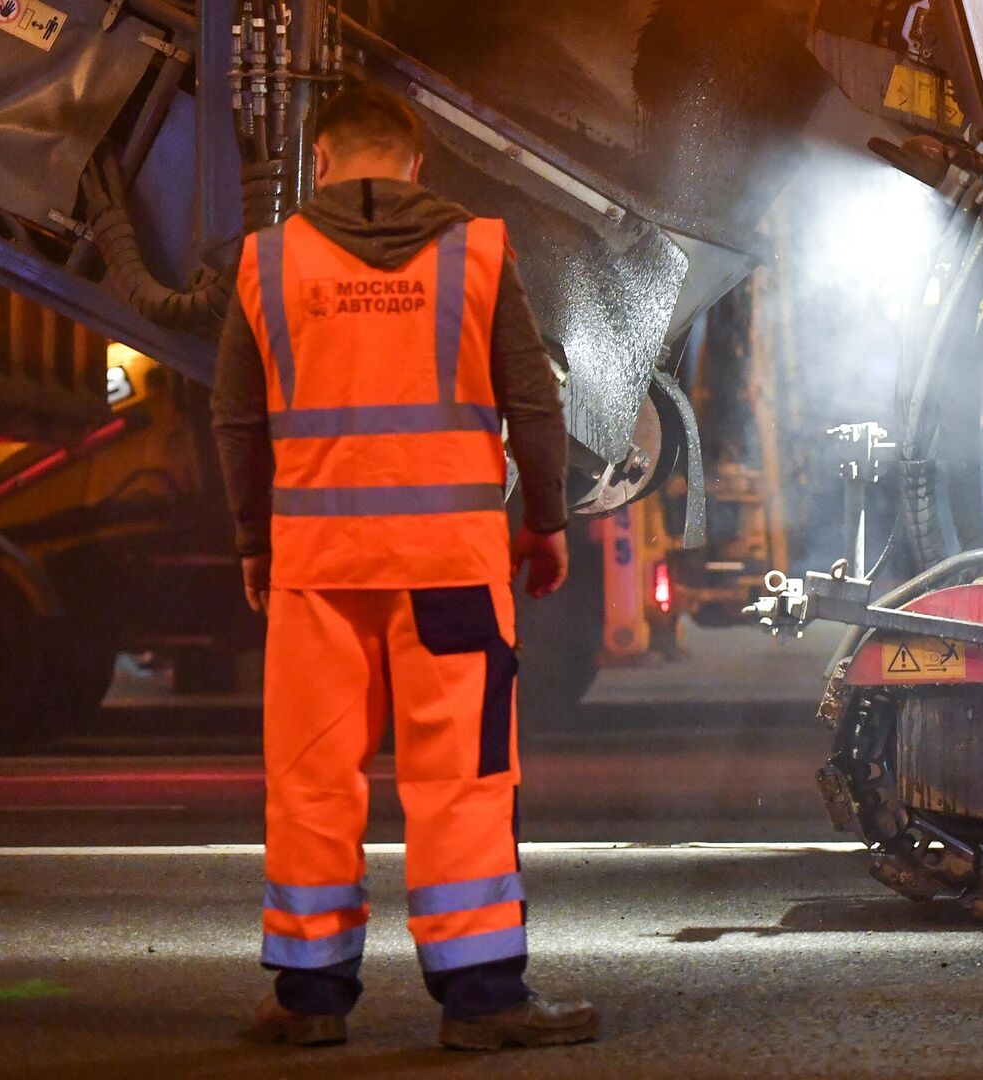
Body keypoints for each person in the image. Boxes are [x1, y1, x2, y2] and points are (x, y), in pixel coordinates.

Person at [211, 83, 597, 1051]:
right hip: (453, 570)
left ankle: (307, 1004)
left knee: (310, 780)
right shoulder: (476, 252)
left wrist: (256, 544)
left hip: (316, 570)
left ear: (324, 163)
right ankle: (481, 1003)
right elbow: (534, 403)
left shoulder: (267, 263)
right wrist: (545, 524)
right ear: (417, 163)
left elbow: (235, 420)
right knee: (461, 781)